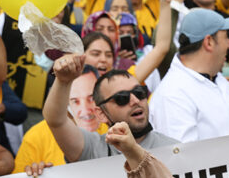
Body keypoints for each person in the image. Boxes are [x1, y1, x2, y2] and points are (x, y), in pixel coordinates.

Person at [43, 55, 177, 164]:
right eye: (122, 98)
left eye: (139, 92)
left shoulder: (174, 150)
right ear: (101, 113)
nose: (135, 101)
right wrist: (63, 81)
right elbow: (56, 120)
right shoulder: (92, 149)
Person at [148, 7, 229, 142]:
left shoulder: (219, 80)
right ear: (208, 42)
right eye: (226, 37)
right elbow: (183, 153)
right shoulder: (172, 95)